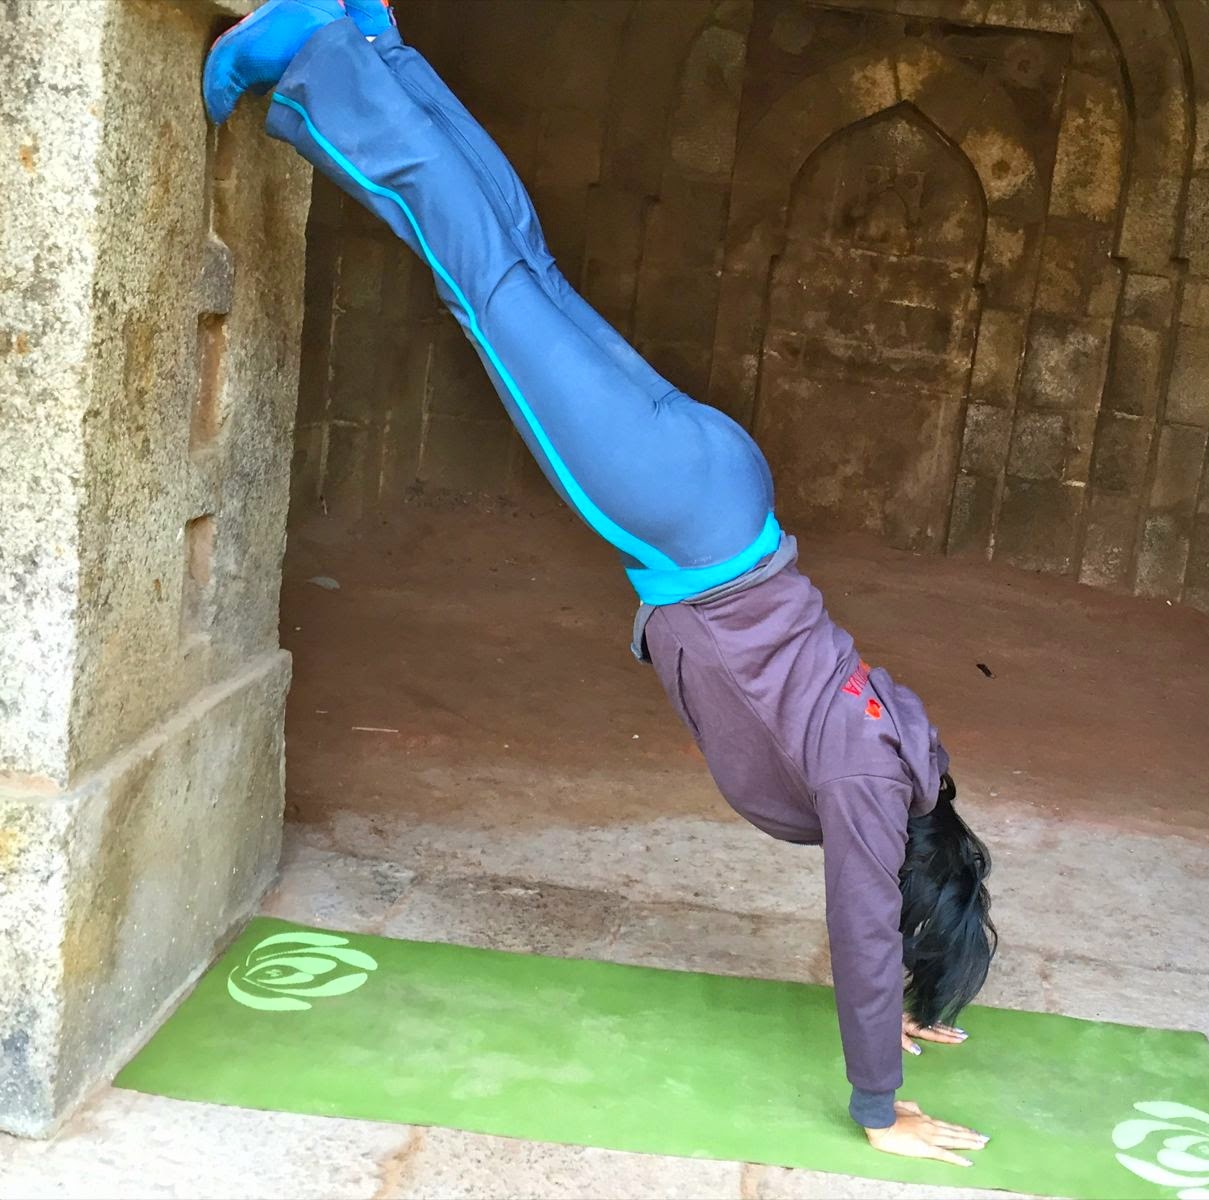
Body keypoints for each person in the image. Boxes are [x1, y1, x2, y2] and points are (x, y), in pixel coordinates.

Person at [203, 0, 997, 1167]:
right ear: (904, 881)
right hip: (674, 511)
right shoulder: (868, 794)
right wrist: (880, 1101)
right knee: (485, 283)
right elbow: (864, 929)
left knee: (517, 264)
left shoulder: (907, 756)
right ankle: (317, 52)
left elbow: (889, 909)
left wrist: (916, 990)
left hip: (725, 491)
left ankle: (375, 47)